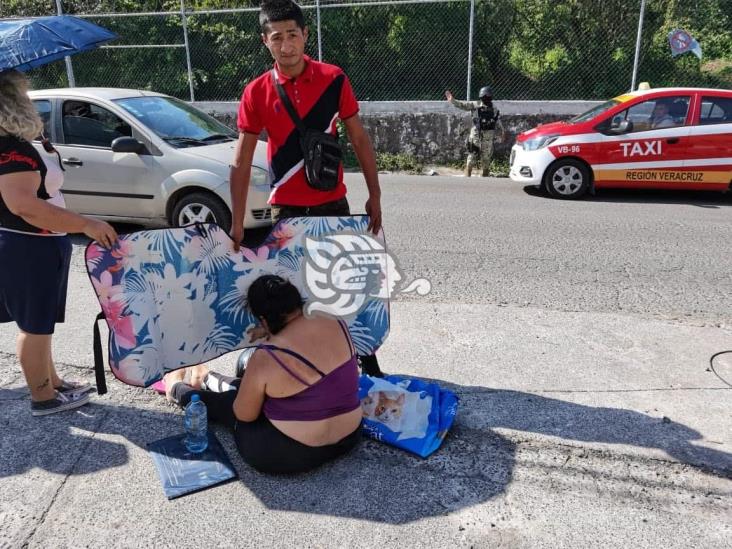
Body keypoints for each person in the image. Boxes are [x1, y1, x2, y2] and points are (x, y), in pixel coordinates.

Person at [230, 0, 384, 377]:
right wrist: (236, 222)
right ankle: (297, 363)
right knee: (291, 294)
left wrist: (375, 194)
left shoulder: (334, 78)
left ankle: (361, 357)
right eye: (277, 38)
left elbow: (360, 139)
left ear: (306, 35)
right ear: (265, 41)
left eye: (293, 35)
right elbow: (241, 160)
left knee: (344, 285)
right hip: (287, 210)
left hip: (333, 202)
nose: (286, 46)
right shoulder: (256, 92)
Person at [0, 70, 118, 416]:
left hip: (39, 243)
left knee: (41, 322)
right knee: (33, 324)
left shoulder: (18, 145)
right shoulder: (9, 150)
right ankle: (42, 397)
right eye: (22, 94)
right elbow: (24, 206)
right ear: (12, 103)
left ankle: (51, 381)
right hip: (27, 245)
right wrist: (87, 224)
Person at [164, 275, 362, 474]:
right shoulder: (331, 317)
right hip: (348, 436)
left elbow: (244, 415)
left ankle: (176, 389)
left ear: (264, 320)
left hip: (293, 452)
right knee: (264, 389)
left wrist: (270, 337)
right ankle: (208, 377)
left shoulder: (268, 355)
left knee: (233, 404)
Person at [445, 86, 505, 177]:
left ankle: (485, 175)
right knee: (472, 156)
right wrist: (453, 100)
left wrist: (502, 132)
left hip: (488, 136)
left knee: (486, 159)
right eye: (485, 96)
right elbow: (463, 105)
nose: (487, 98)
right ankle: (467, 174)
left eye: (488, 96)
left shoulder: (494, 109)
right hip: (476, 135)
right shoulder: (475, 105)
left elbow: (497, 120)